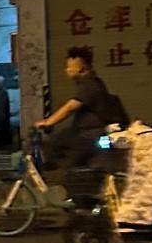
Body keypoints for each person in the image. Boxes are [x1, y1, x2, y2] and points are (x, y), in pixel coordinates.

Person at [33, 45, 121, 176]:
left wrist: (48, 122)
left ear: (81, 68)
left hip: (90, 136)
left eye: (70, 67)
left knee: (59, 152)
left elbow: (70, 107)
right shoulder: (91, 83)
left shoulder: (90, 85)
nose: (66, 70)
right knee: (61, 141)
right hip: (86, 134)